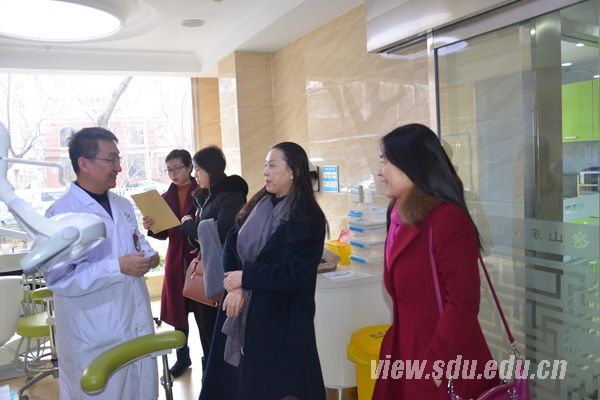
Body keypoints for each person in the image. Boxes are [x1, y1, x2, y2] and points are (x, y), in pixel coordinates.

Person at [373, 123, 499, 399]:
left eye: (385, 162)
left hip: (442, 359)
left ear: (410, 164)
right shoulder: (398, 217)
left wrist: (436, 364)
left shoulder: (446, 219)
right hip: (405, 350)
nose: (381, 172)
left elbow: (464, 302)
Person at [199, 142, 327, 400]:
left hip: (282, 318)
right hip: (239, 307)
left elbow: (294, 273)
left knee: (276, 387)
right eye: (265, 165)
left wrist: (246, 278)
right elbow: (232, 243)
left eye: (272, 165)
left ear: (293, 172)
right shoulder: (258, 203)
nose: (265, 171)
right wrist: (235, 286)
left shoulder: (308, 217)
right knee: (234, 385)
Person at [44, 127, 160, 400]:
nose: (119, 167)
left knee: (141, 390)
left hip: (135, 319)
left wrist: (149, 256)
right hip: (94, 333)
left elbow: (136, 242)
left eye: (118, 159)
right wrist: (117, 267)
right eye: (111, 160)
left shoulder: (122, 205)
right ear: (84, 163)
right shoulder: (61, 214)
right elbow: (59, 279)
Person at [179, 145, 248, 373]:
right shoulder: (206, 195)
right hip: (207, 272)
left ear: (211, 168)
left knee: (218, 334)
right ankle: (209, 376)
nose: (195, 175)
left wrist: (189, 226)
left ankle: (219, 379)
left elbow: (223, 231)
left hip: (222, 273)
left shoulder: (230, 195)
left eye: (198, 169)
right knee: (206, 332)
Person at [142, 149, 200, 378]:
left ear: (189, 168)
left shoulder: (202, 191)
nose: (173, 174)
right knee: (179, 313)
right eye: (169, 170)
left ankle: (209, 357)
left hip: (198, 257)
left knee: (204, 311)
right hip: (176, 258)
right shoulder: (165, 198)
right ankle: (183, 357)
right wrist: (152, 225)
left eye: (177, 168)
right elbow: (163, 234)